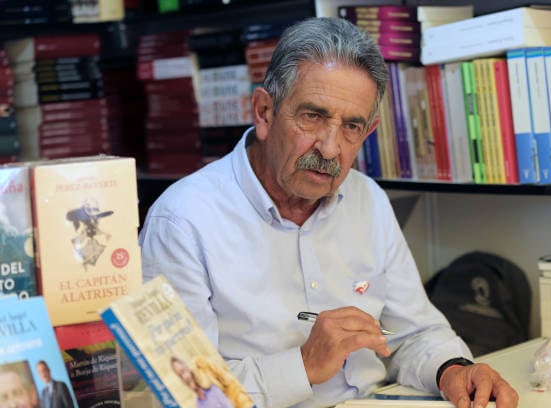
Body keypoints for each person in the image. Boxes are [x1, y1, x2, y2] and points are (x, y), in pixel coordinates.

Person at [139, 16, 519, 408]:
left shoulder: (366, 198)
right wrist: (303, 365)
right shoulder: (182, 220)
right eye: (313, 116)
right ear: (264, 112)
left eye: (351, 126)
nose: (331, 149)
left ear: (368, 132)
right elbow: (182, 393)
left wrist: (453, 369)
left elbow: (414, 333)